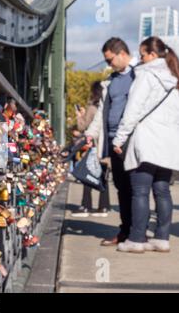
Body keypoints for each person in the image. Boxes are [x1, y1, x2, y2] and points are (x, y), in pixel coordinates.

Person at [113, 37, 179, 253]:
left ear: (152, 55)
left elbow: (133, 110)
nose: (139, 59)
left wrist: (120, 138)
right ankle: (162, 238)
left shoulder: (147, 75)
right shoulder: (175, 78)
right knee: (162, 190)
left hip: (147, 140)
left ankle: (137, 239)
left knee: (139, 190)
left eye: (141, 55)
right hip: (168, 144)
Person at [85, 37, 138, 246]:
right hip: (112, 140)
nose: (108, 64)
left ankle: (137, 233)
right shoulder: (112, 80)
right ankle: (125, 231)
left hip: (132, 140)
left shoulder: (139, 75)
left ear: (122, 53)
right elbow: (101, 113)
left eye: (110, 60)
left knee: (137, 188)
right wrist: (90, 134)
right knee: (121, 187)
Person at [72, 82, 111, 218]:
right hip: (105, 147)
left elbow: (83, 127)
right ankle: (104, 206)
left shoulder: (92, 107)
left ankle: (86, 206)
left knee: (87, 175)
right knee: (103, 177)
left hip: (93, 147)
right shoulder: (107, 106)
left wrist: (79, 115)